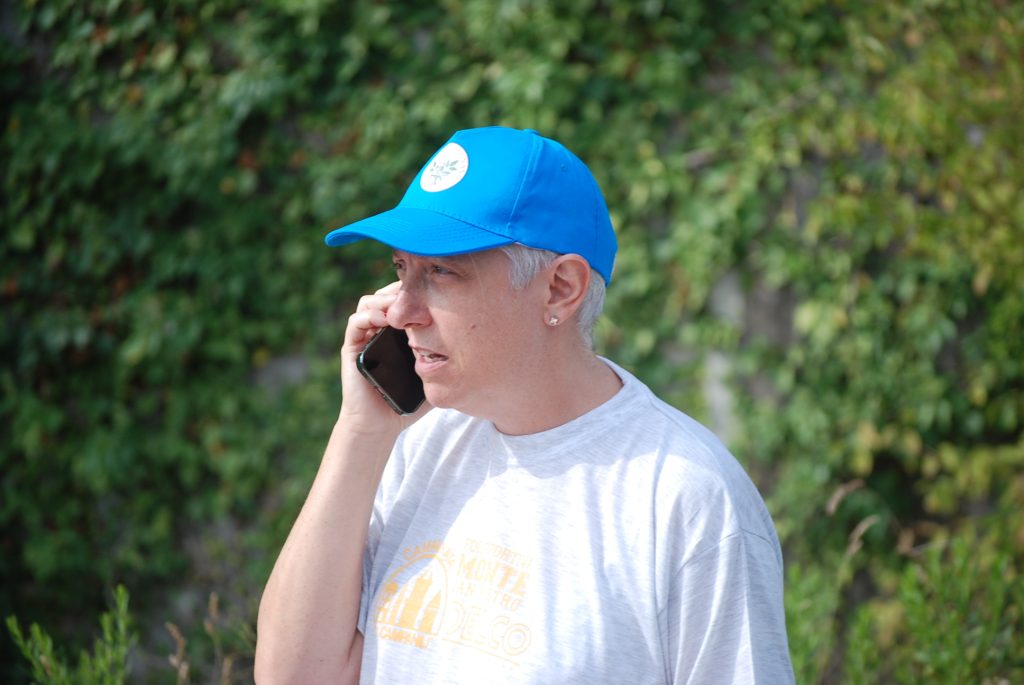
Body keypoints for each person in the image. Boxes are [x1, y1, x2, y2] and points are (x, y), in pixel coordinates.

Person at [255, 126, 795, 684]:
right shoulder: (416, 447)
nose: (398, 312)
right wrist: (359, 433)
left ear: (561, 288)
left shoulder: (687, 497)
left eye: (441, 272)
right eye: (401, 270)